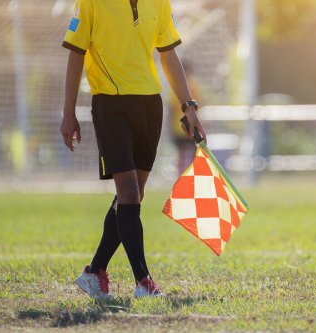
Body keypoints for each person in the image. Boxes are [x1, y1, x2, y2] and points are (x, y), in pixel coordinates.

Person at [60, 0, 206, 299]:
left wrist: (188, 105)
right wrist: (68, 112)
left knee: (134, 196)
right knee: (127, 193)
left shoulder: (159, 3)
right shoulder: (90, 3)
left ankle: (94, 271)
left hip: (150, 105)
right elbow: (76, 55)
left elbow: (168, 53)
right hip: (110, 104)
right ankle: (144, 281)